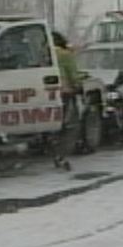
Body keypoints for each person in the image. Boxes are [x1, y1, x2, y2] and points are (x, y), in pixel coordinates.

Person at [51, 31, 81, 171]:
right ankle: (60, 155)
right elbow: (73, 75)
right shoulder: (65, 55)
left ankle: (54, 150)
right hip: (65, 92)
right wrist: (78, 86)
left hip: (48, 93)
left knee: (53, 123)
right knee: (67, 125)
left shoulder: (46, 54)